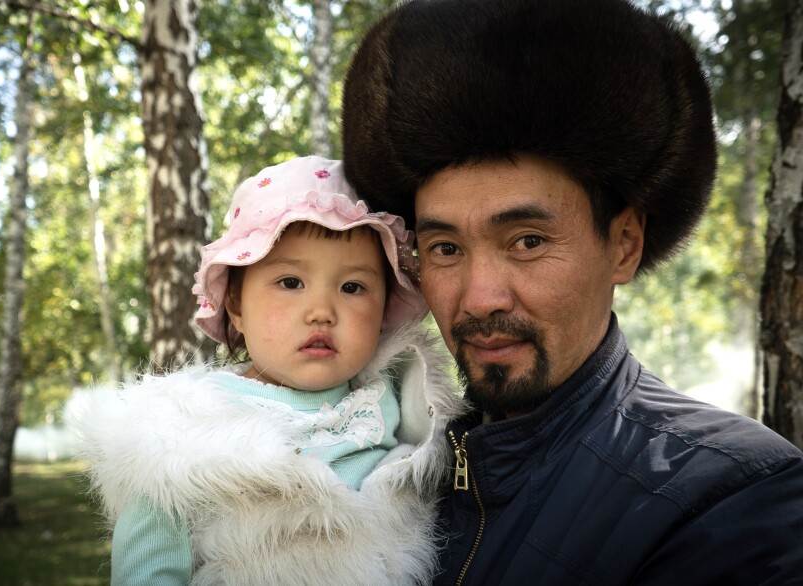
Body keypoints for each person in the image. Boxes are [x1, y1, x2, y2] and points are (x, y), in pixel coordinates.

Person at [341, 0, 803, 584]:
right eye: (446, 249)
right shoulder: (376, 458)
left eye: (528, 241)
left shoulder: (730, 496)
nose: (480, 299)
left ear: (625, 245)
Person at [67, 156, 468, 585]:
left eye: (352, 287)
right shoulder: (177, 436)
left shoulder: (415, 416)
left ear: (384, 309)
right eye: (291, 282)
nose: (321, 312)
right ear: (236, 306)